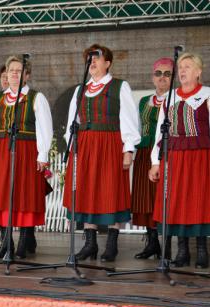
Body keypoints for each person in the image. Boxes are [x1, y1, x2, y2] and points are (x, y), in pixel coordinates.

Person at [63, 44, 140, 262]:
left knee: (111, 189)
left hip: (109, 143)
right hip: (85, 145)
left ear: (108, 63)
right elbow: (72, 121)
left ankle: (112, 244)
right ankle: (90, 244)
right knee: (87, 190)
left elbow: (128, 119)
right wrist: (72, 146)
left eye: (97, 58)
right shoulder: (81, 89)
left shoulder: (119, 86)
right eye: (89, 58)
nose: (93, 62)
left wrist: (129, 149)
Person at [149, 52, 210, 269]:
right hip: (173, 155)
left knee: (198, 200)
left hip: (200, 154)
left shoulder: (209, 95)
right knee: (176, 201)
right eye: (181, 67)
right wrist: (156, 161)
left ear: (199, 72)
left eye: (188, 66)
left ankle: (201, 250)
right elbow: (159, 132)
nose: (182, 71)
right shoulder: (170, 97)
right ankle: (182, 250)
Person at [0, 56, 53, 259]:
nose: (13, 73)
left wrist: (43, 155)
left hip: (27, 150)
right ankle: (6, 243)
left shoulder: (36, 98)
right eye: (11, 70)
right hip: (0, 151)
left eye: (18, 70)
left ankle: (23, 242)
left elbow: (45, 129)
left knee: (24, 194)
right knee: (2, 195)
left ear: (26, 75)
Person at [132, 57, 173, 260]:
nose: (162, 78)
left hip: (167, 152)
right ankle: (152, 242)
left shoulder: (176, 98)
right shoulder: (143, 101)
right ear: (152, 77)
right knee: (146, 198)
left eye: (167, 73)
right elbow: (138, 128)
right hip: (145, 151)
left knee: (165, 197)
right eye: (158, 73)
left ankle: (167, 244)